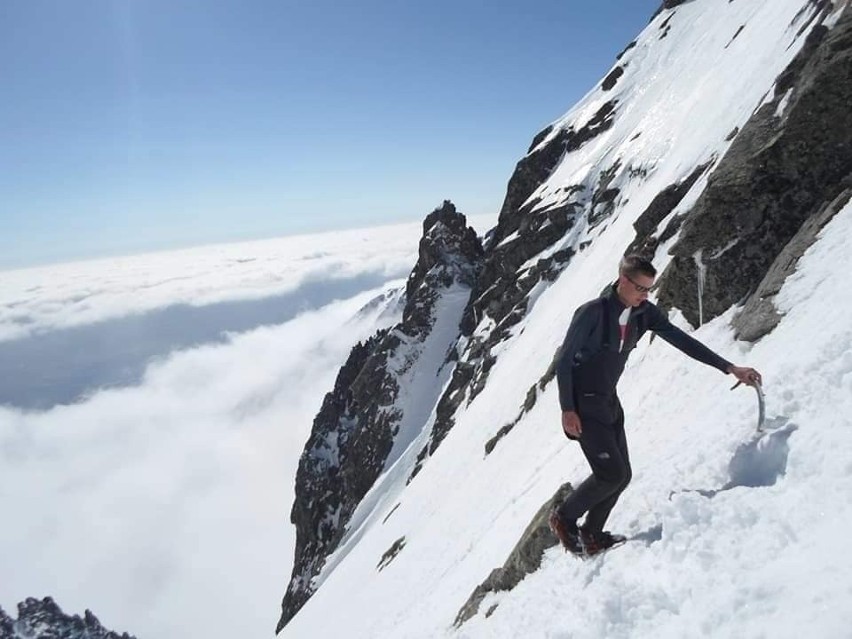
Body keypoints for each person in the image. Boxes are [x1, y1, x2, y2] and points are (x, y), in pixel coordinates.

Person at [549, 254, 762, 556]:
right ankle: (564, 517)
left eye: (649, 289)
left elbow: (682, 341)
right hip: (583, 405)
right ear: (623, 281)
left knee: (622, 476)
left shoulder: (643, 314)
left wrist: (730, 367)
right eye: (640, 289)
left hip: (608, 401)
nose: (645, 295)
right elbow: (565, 362)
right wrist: (567, 409)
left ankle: (592, 534)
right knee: (610, 474)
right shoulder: (592, 313)